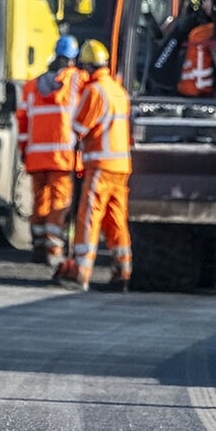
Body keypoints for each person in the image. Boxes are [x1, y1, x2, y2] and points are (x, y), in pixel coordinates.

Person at [64, 39, 133, 291]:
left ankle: (80, 273)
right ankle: (123, 272)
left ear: (87, 67)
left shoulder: (95, 91)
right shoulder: (119, 91)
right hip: (121, 167)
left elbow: (78, 127)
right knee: (116, 220)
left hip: (100, 167)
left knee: (88, 218)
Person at [17, 35, 84, 272]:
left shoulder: (31, 86)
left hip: (36, 156)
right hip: (62, 157)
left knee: (40, 201)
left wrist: (24, 151)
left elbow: (22, 121)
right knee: (60, 203)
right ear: (73, 59)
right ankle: (54, 249)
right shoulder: (77, 80)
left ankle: (38, 245)